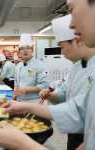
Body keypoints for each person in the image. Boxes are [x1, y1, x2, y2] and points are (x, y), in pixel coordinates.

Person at [0, 2, 95, 148]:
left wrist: (20, 142)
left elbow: (77, 114)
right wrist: (24, 106)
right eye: (22, 49)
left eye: (72, 11)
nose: (72, 25)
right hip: (28, 105)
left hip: (34, 101)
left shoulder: (40, 65)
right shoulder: (76, 67)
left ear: (78, 41)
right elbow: (76, 111)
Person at [40, 14, 95, 150]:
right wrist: (51, 95)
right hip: (74, 130)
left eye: (62, 46)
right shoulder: (76, 66)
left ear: (77, 41)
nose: (61, 52)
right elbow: (64, 89)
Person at [13, 33, 50, 103]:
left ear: (32, 50)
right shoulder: (18, 66)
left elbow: (45, 85)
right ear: (19, 52)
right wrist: (15, 92)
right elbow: (16, 81)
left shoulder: (40, 66)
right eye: (22, 49)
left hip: (36, 101)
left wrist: (25, 90)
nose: (25, 50)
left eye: (28, 48)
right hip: (21, 101)